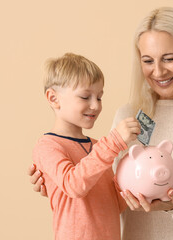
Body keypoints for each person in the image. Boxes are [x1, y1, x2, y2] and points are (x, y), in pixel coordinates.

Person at [29, 7, 173, 240]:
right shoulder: (128, 116)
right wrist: (57, 185)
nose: (158, 71)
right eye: (148, 60)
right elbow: (107, 190)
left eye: (169, 59)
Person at [31, 52, 140, 240]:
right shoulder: (48, 146)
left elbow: (115, 205)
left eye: (99, 97)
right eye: (85, 97)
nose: (95, 106)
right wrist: (114, 142)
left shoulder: (97, 148)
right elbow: (74, 185)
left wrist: (137, 176)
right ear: (53, 98)